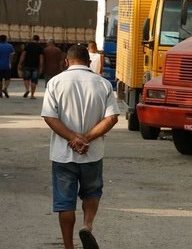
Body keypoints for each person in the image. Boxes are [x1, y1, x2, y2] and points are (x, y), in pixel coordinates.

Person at [41, 44, 120, 249]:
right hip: (92, 153)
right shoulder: (103, 84)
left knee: (65, 203)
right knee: (92, 193)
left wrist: (72, 138)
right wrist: (86, 139)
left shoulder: (55, 82)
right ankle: (87, 226)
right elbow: (111, 118)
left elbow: (50, 116)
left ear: (67, 61)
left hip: (62, 155)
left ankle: (69, 246)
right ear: (88, 61)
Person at [18, 35, 44, 99]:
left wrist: (20, 64)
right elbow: (41, 58)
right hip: (36, 66)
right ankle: (32, 95)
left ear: (32, 39)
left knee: (26, 78)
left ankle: (27, 89)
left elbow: (23, 55)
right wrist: (41, 67)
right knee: (34, 81)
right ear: (38, 40)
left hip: (27, 65)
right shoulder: (40, 47)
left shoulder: (28, 46)